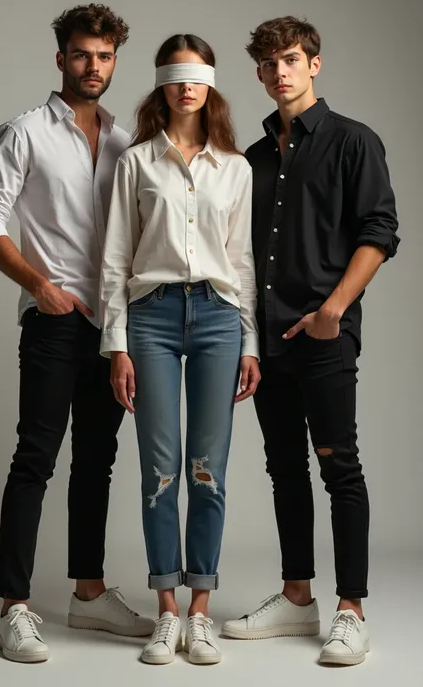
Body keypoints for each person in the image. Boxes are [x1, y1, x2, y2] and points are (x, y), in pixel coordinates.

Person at [0, 3, 155, 664]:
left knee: (98, 462)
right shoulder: (25, 132)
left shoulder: (127, 140)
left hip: (110, 328)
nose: (93, 66)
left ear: (114, 60)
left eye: (104, 56)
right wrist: (38, 286)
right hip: (51, 323)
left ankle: (88, 589)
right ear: (61, 58)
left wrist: (127, 333)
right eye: (82, 54)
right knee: (35, 459)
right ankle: (12, 606)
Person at [222, 16, 399, 666]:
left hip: (324, 337)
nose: (279, 73)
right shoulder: (254, 158)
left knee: (338, 467)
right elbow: (240, 253)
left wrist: (334, 309)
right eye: (268, 64)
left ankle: (351, 610)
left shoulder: (354, 141)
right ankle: (297, 597)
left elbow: (380, 231)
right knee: (284, 470)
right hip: (267, 344)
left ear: (314, 63)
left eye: (290, 59)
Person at [100, 33, 260, 665]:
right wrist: (117, 345)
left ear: (211, 85)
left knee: (209, 469)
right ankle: (166, 607)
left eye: (197, 77)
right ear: (161, 85)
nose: (187, 86)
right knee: (160, 468)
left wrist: (250, 340)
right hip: (154, 317)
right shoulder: (136, 163)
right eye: (176, 76)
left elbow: (242, 262)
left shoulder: (237, 168)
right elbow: (115, 259)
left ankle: (202, 608)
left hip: (219, 317)